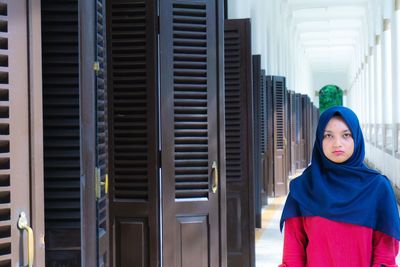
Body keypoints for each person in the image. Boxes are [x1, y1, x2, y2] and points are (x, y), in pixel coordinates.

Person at [279, 106, 400, 267]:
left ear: (356, 138)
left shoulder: (377, 188)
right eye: (328, 136)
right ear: (319, 140)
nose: (337, 143)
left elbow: (385, 255)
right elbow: (293, 254)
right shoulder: (303, 188)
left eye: (346, 135)